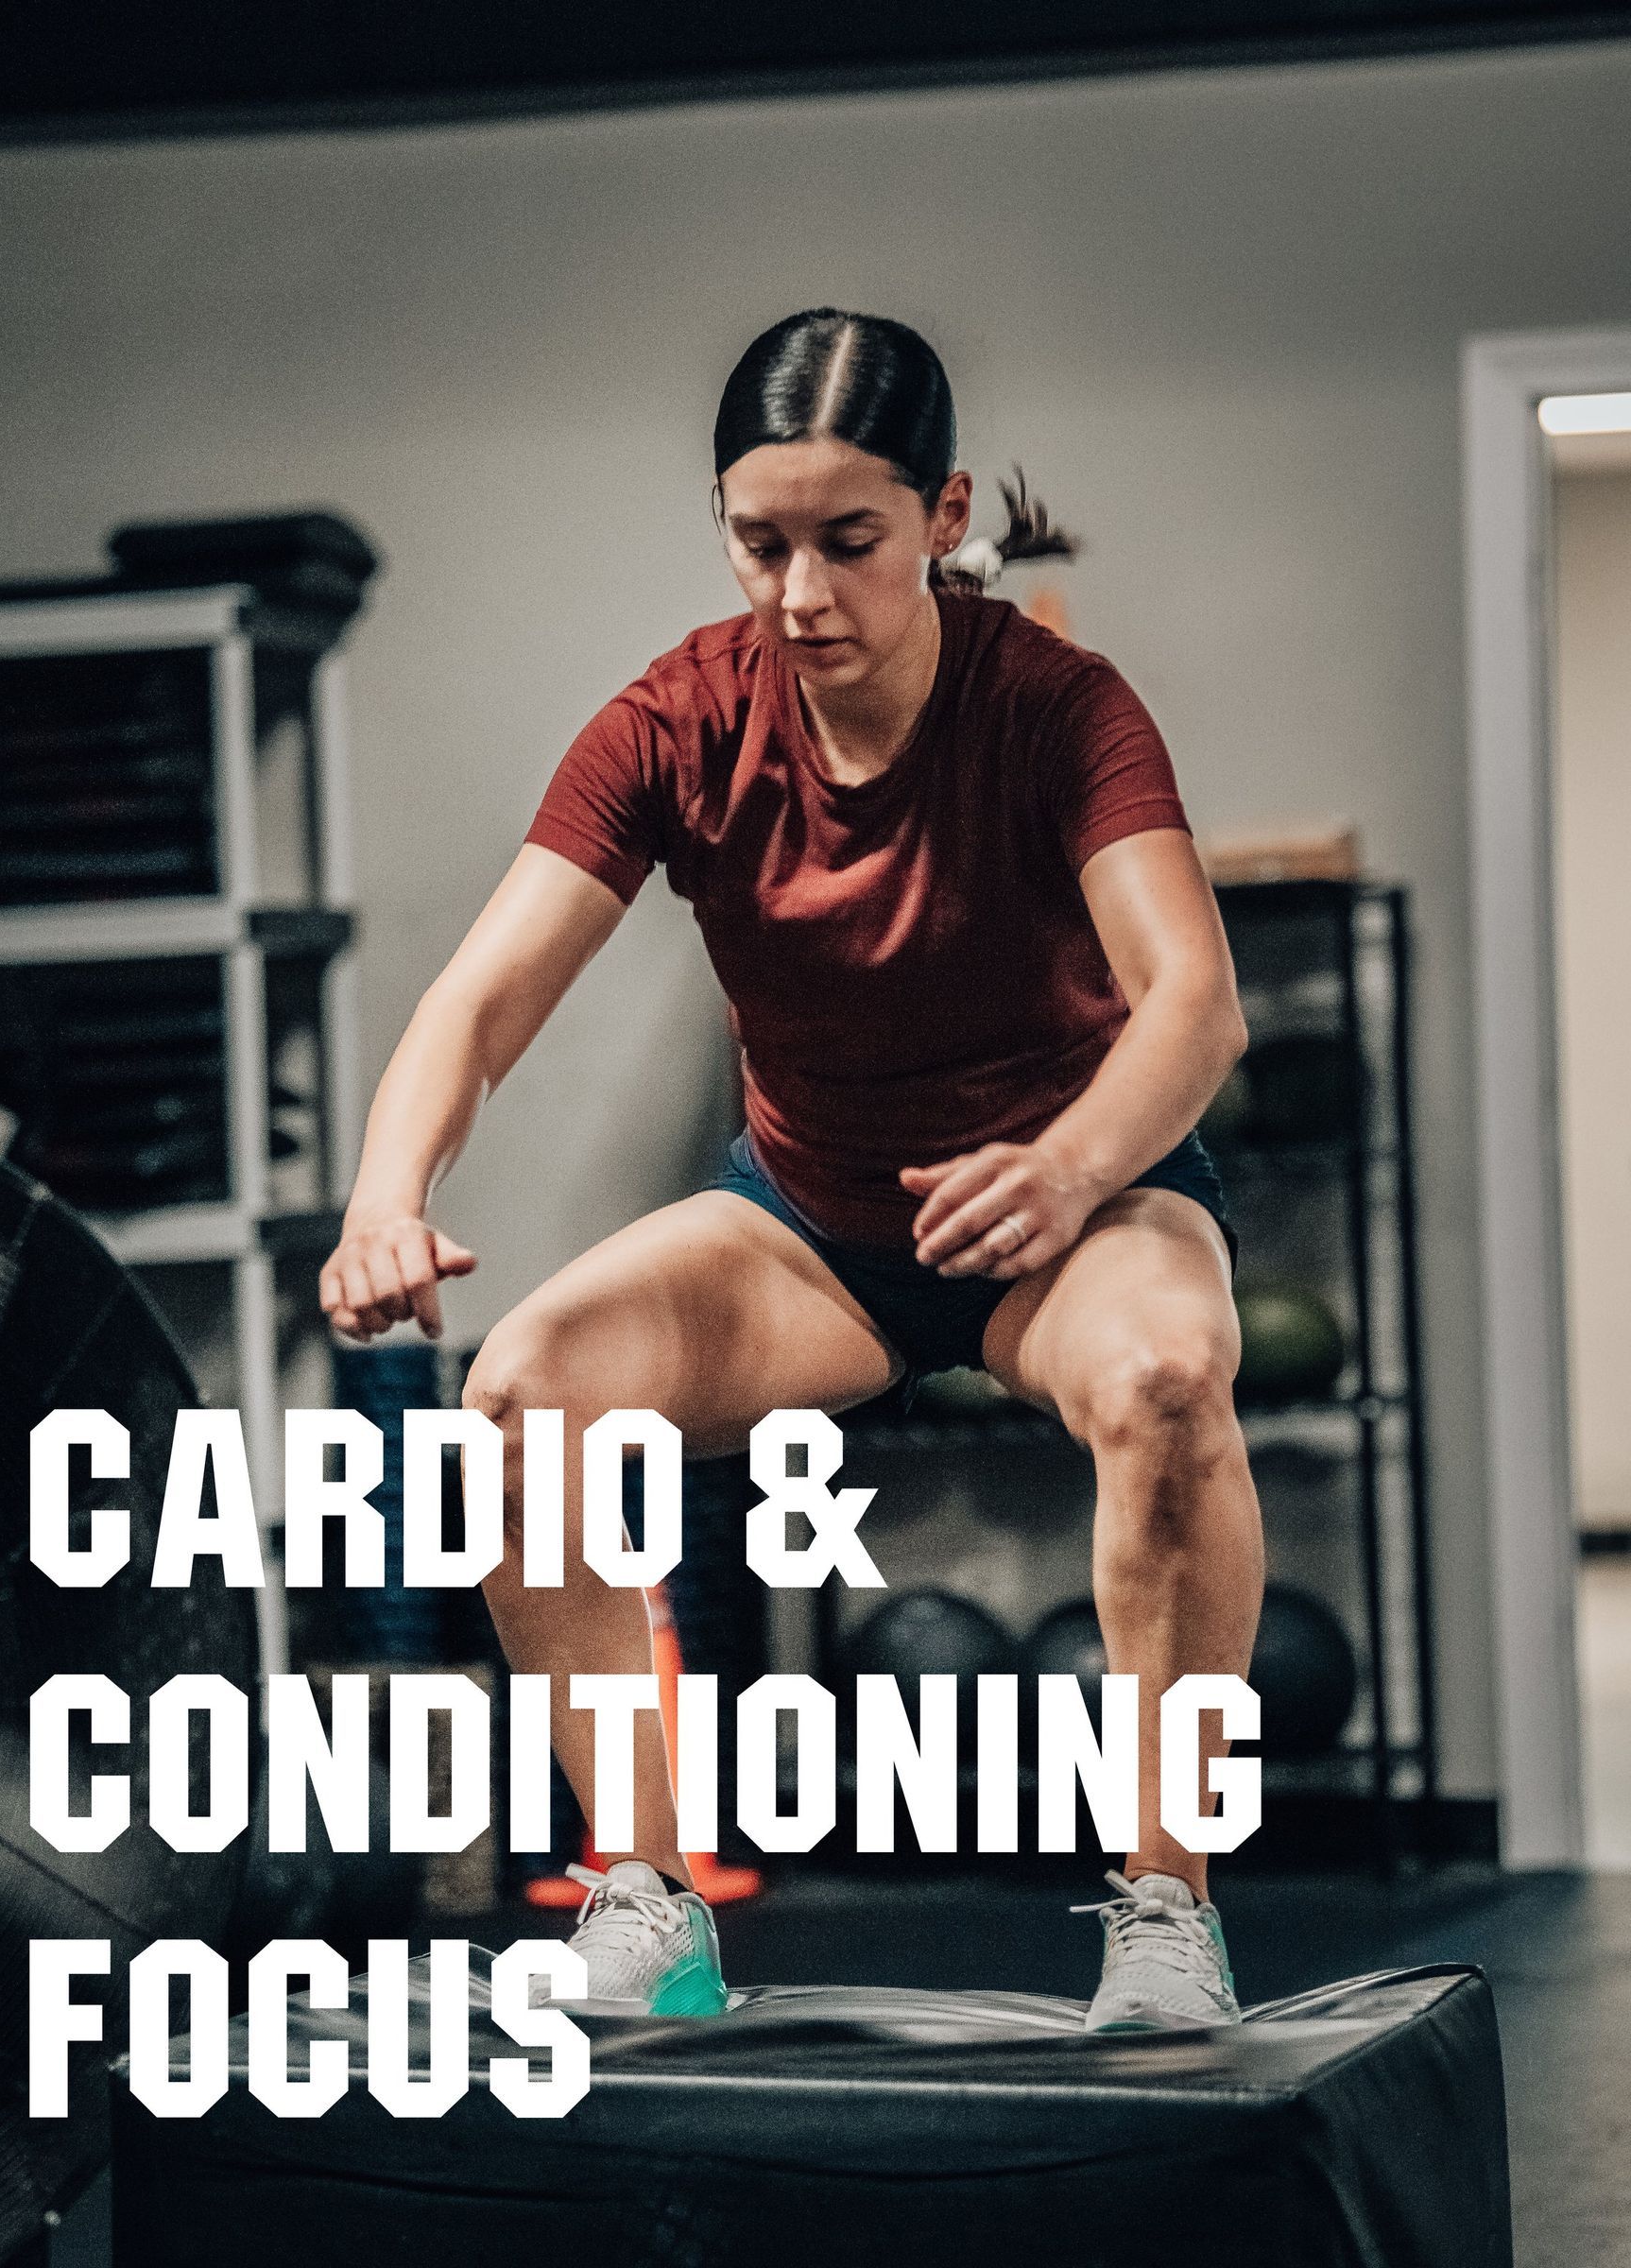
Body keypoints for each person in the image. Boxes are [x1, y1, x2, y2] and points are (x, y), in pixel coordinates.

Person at [319, 308, 1264, 2031]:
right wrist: (390, 1192)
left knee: (1171, 1380)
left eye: (851, 542)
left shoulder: (1055, 707)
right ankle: (648, 1905)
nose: (802, 593)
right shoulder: (679, 722)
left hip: (1075, 1203)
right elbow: (480, 999)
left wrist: (1067, 1169)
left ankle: (1164, 1914)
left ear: (944, 516)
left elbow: (1195, 1004)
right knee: (525, 1389)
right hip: (818, 1225)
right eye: (762, 544)